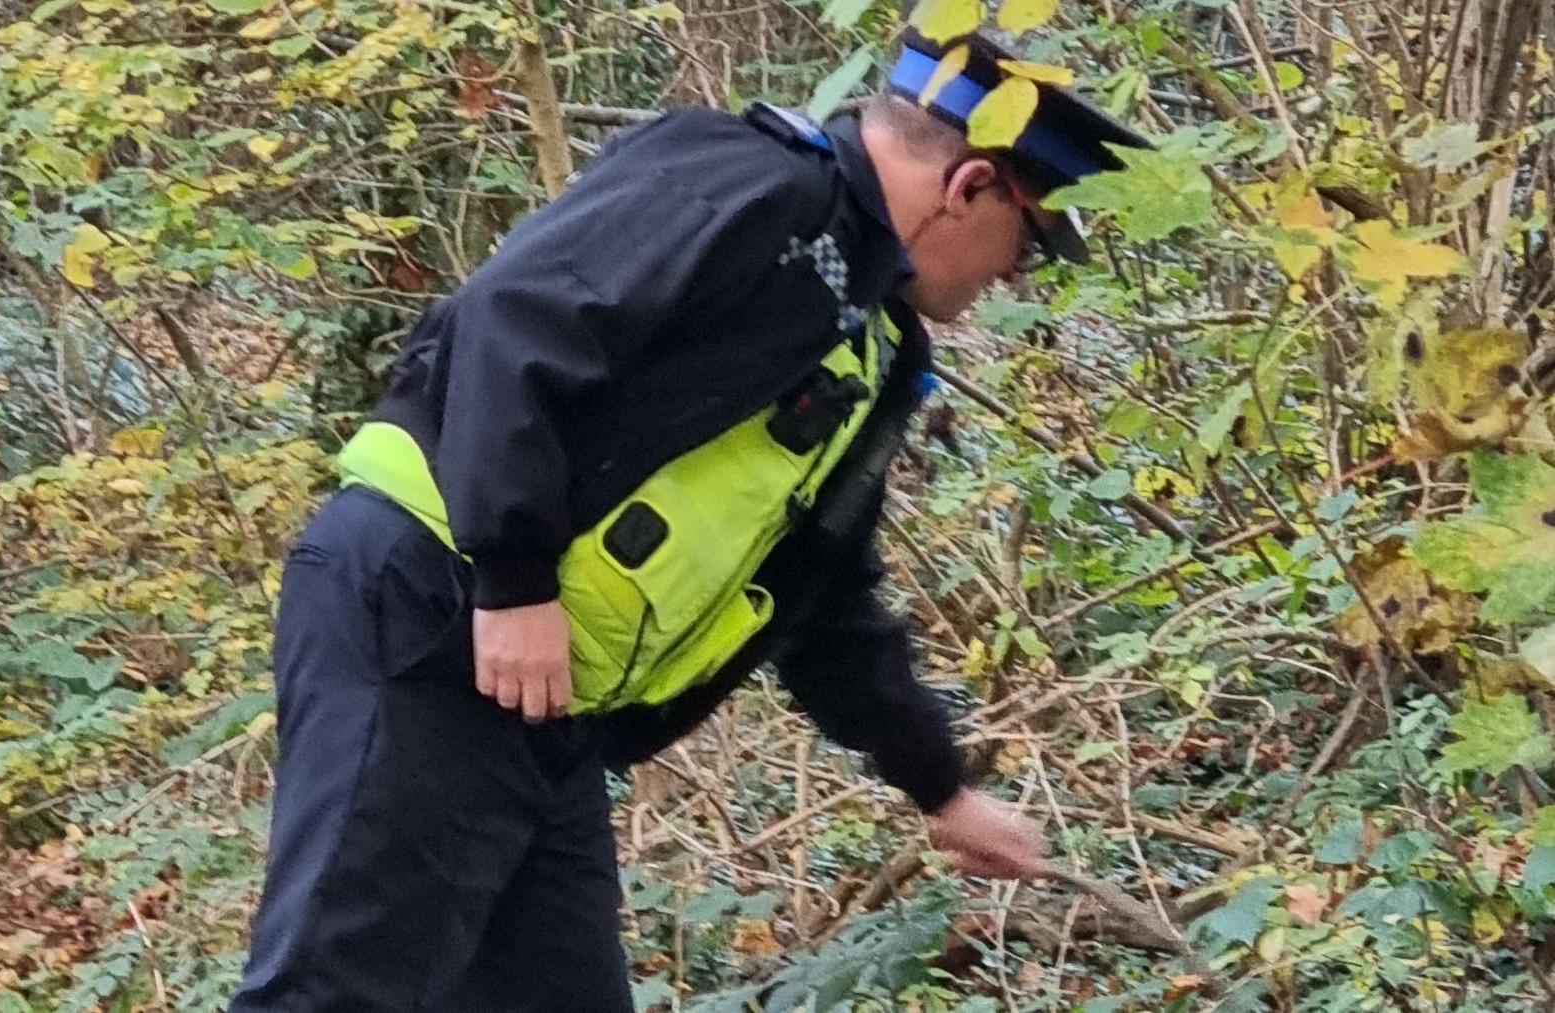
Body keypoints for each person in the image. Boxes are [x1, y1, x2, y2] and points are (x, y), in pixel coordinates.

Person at [232, 28, 1151, 1013]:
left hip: (545, 698)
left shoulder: (877, 351)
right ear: (969, 185)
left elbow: (826, 598)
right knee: (336, 992)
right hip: (432, 609)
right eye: (1027, 246)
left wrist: (942, 786)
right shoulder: (744, 181)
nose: (1012, 280)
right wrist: (513, 580)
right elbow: (511, 321)